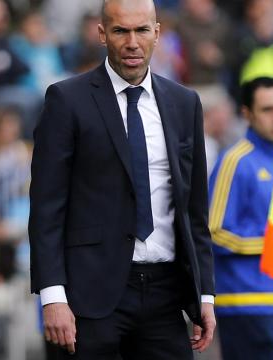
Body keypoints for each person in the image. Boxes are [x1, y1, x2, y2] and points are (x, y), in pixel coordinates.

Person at [28, 0, 216, 359]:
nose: (132, 42)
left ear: (157, 34)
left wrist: (204, 293)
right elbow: (47, 207)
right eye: (120, 31)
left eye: (142, 30)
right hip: (90, 295)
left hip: (165, 295)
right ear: (102, 34)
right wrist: (53, 296)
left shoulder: (184, 103)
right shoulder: (67, 100)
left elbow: (194, 209)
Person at [208, 77, 273, 360]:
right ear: (247, 114)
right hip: (244, 302)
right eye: (268, 109)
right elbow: (214, 231)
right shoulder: (235, 159)